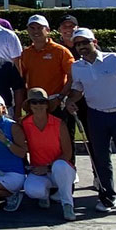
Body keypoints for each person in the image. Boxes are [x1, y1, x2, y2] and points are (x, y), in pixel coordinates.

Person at [66, 27, 116, 217]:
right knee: (101, 158)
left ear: (95, 42)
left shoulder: (113, 59)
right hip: (96, 115)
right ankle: (107, 197)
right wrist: (69, 101)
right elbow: (77, 90)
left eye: (85, 42)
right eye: (78, 44)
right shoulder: (77, 67)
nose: (82, 47)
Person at [21, 88, 77, 221]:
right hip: (38, 170)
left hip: (60, 169)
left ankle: (67, 205)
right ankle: (45, 195)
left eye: (41, 102)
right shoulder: (24, 124)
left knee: (59, 166)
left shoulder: (59, 123)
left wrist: (47, 167)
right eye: (34, 102)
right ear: (29, 106)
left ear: (47, 104)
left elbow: (68, 153)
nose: (38, 105)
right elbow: (21, 147)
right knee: (31, 190)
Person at [17, 15, 74, 119]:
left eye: (40, 28)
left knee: (62, 134)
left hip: (56, 102)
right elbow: (24, 79)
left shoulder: (60, 51)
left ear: (47, 30)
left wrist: (60, 98)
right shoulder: (26, 53)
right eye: (32, 28)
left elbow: (72, 77)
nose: (36, 31)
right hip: (35, 103)